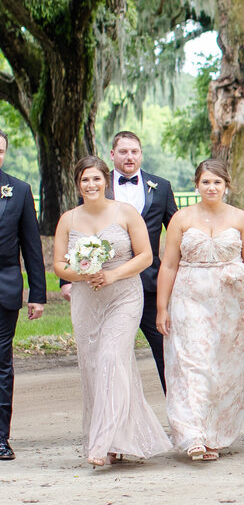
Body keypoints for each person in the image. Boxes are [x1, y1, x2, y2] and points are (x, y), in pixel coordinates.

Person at [52, 156, 170, 467]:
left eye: (96, 179)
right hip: (86, 297)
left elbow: (146, 256)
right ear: (78, 184)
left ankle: (100, 444)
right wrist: (82, 273)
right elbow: (59, 265)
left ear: (106, 181)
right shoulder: (68, 219)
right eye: (84, 180)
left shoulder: (126, 212)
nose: (90, 185)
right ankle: (119, 439)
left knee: (110, 357)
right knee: (94, 366)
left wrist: (112, 275)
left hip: (124, 295)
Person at [156, 159, 244, 461]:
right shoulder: (181, 218)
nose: (211, 187)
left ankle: (213, 434)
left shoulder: (241, 218)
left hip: (231, 301)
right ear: (197, 185)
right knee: (193, 364)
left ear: (226, 185)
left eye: (217, 182)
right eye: (206, 182)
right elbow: (168, 264)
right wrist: (161, 307)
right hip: (189, 297)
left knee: (223, 367)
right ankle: (192, 434)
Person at [62, 131, 177, 392]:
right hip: (99, 285)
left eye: (134, 151)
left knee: (166, 353)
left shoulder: (161, 187)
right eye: (123, 151)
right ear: (112, 155)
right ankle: (113, 419)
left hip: (149, 284)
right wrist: (67, 279)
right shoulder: (94, 183)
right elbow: (78, 232)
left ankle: (179, 418)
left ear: (141, 154)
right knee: (107, 356)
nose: (129, 157)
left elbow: (176, 232)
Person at [0, 130, 46, 461]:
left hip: (4, 289)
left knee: (1, 366)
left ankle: (1, 439)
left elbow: (31, 246)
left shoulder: (19, 190)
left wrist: (38, 294)